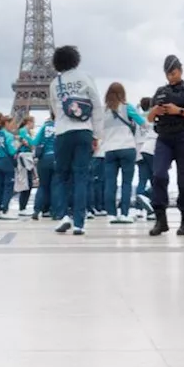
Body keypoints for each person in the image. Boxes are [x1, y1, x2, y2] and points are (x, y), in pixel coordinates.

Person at [147, 55, 184, 236]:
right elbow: (149, 118)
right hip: (164, 137)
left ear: (180, 70)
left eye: (173, 73)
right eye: (167, 74)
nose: (170, 77)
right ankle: (160, 218)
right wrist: (155, 111)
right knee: (158, 175)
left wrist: (178, 110)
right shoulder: (160, 91)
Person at [48, 45, 104, 235]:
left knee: (62, 176)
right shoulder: (86, 77)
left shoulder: (56, 83)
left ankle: (63, 215)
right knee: (81, 176)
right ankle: (79, 222)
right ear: (76, 59)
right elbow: (97, 106)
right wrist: (97, 134)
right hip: (83, 131)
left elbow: (55, 110)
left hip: (63, 132)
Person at [99, 82, 146, 224]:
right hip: (127, 147)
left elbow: (99, 131)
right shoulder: (127, 107)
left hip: (110, 149)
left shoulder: (103, 111)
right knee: (126, 182)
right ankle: (124, 213)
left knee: (110, 183)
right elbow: (143, 122)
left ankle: (111, 214)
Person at [31, 114, 57, 220]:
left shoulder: (45, 126)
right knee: (56, 185)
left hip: (44, 159)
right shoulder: (61, 126)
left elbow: (34, 142)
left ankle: (37, 210)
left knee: (43, 186)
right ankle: (54, 211)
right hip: (56, 158)